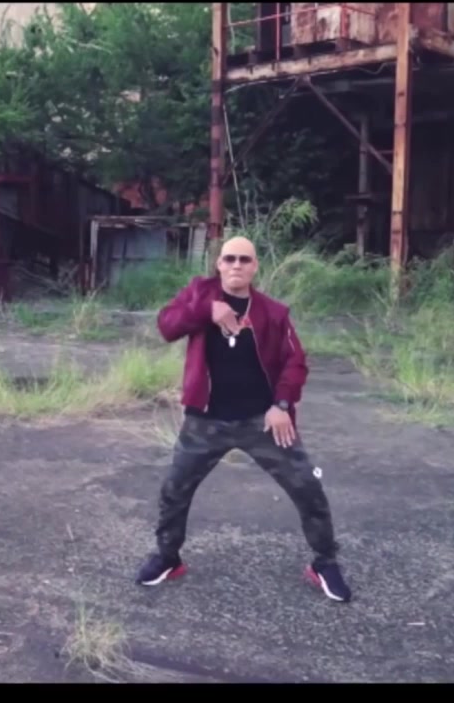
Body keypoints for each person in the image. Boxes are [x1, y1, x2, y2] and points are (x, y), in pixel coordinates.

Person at [134, 236, 352, 603]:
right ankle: (168, 558)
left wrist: (281, 404)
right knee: (175, 489)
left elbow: (295, 362)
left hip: (262, 420)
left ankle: (324, 563)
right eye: (230, 258)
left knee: (306, 487)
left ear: (255, 267)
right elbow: (167, 326)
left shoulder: (272, 312)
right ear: (219, 264)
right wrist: (207, 311)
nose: (237, 265)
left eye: (245, 260)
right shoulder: (199, 294)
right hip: (205, 421)